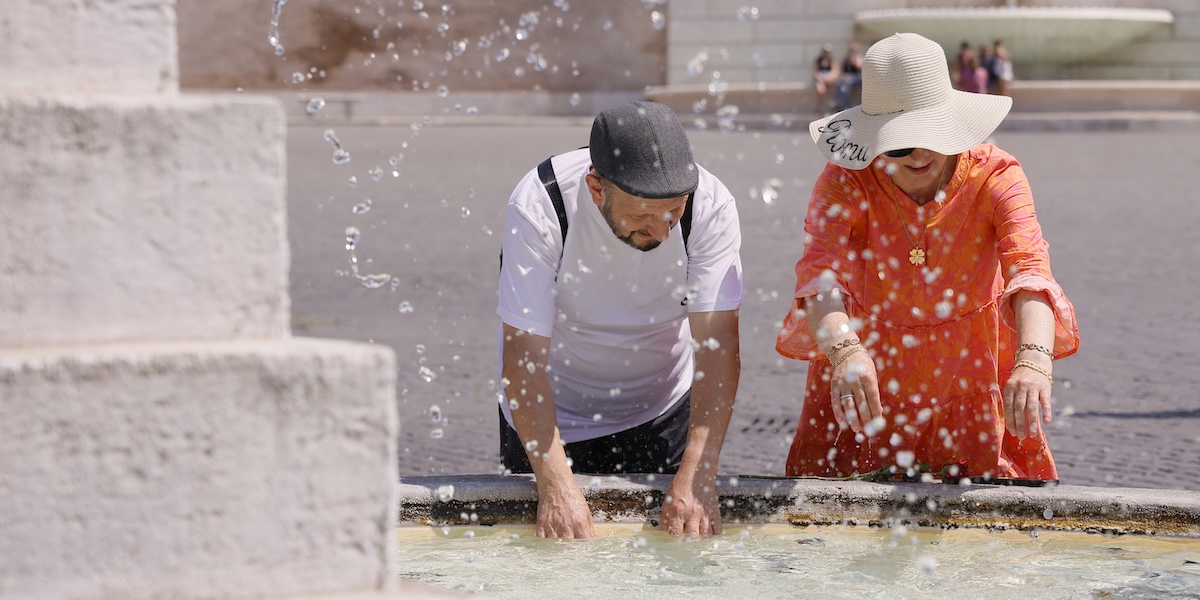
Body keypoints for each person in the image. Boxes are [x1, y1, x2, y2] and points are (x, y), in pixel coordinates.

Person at [778, 33, 1079, 483]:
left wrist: (1033, 359)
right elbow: (819, 276)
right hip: (868, 372)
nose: (918, 153)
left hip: (968, 372)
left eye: (931, 135)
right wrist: (845, 351)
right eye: (898, 143)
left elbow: (1030, 269)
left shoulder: (995, 174)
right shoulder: (846, 179)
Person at [497, 101, 744, 539]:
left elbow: (718, 348)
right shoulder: (541, 204)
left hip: (662, 411)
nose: (663, 231)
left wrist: (698, 472)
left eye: (673, 211)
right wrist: (555, 484)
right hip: (552, 417)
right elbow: (523, 360)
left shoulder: (710, 204)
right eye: (642, 215)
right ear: (596, 189)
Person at [833, 41, 864, 111]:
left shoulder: (859, 58)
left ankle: (844, 105)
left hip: (857, 78)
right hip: (847, 78)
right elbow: (841, 71)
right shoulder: (845, 59)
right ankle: (838, 102)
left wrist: (854, 62)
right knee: (841, 84)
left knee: (845, 86)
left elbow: (861, 68)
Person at [812, 44, 839, 113]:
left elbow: (835, 72)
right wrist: (821, 79)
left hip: (829, 80)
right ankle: (817, 108)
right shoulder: (818, 61)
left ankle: (833, 103)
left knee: (835, 86)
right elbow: (815, 72)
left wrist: (828, 78)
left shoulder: (832, 61)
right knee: (821, 90)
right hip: (820, 80)